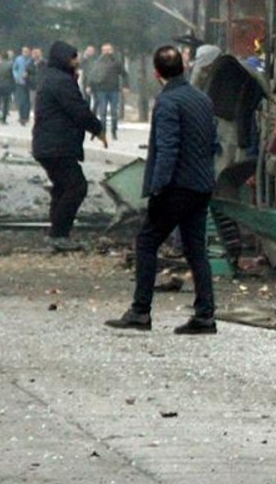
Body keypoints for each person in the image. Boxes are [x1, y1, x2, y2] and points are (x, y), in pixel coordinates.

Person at [106, 45, 220, 335]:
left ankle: (140, 311)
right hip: (201, 184)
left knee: (146, 242)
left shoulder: (168, 103)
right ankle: (205, 316)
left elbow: (168, 149)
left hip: (175, 187)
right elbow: (213, 144)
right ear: (183, 67)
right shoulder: (202, 100)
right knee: (197, 251)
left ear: (157, 74)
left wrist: (157, 188)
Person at [31, 41, 107, 251]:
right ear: (64, 59)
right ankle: (58, 234)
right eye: (73, 58)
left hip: (49, 143)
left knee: (62, 187)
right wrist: (98, 128)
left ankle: (57, 233)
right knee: (76, 186)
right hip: (57, 144)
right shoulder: (61, 81)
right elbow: (78, 110)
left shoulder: (52, 77)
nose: (77, 61)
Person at [91, 43, 128, 139]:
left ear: (112, 51)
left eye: (109, 50)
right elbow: (92, 75)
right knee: (102, 112)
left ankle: (114, 131)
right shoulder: (98, 62)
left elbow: (124, 74)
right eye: (105, 50)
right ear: (102, 51)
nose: (107, 52)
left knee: (114, 112)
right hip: (101, 90)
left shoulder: (116, 62)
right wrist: (90, 86)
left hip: (114, 90)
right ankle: (103, 131)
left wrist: (125, 86)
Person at [13, 45, 33, 125]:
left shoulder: (31, 60)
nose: (25, 53)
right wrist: (16, 77)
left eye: (26, 51)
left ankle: (26, 117)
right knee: (21, 100)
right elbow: (14, 69)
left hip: (29, 83)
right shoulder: (18, 59)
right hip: (20, 82)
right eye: (23, 51)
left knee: (27, 101)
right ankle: (21, 117)